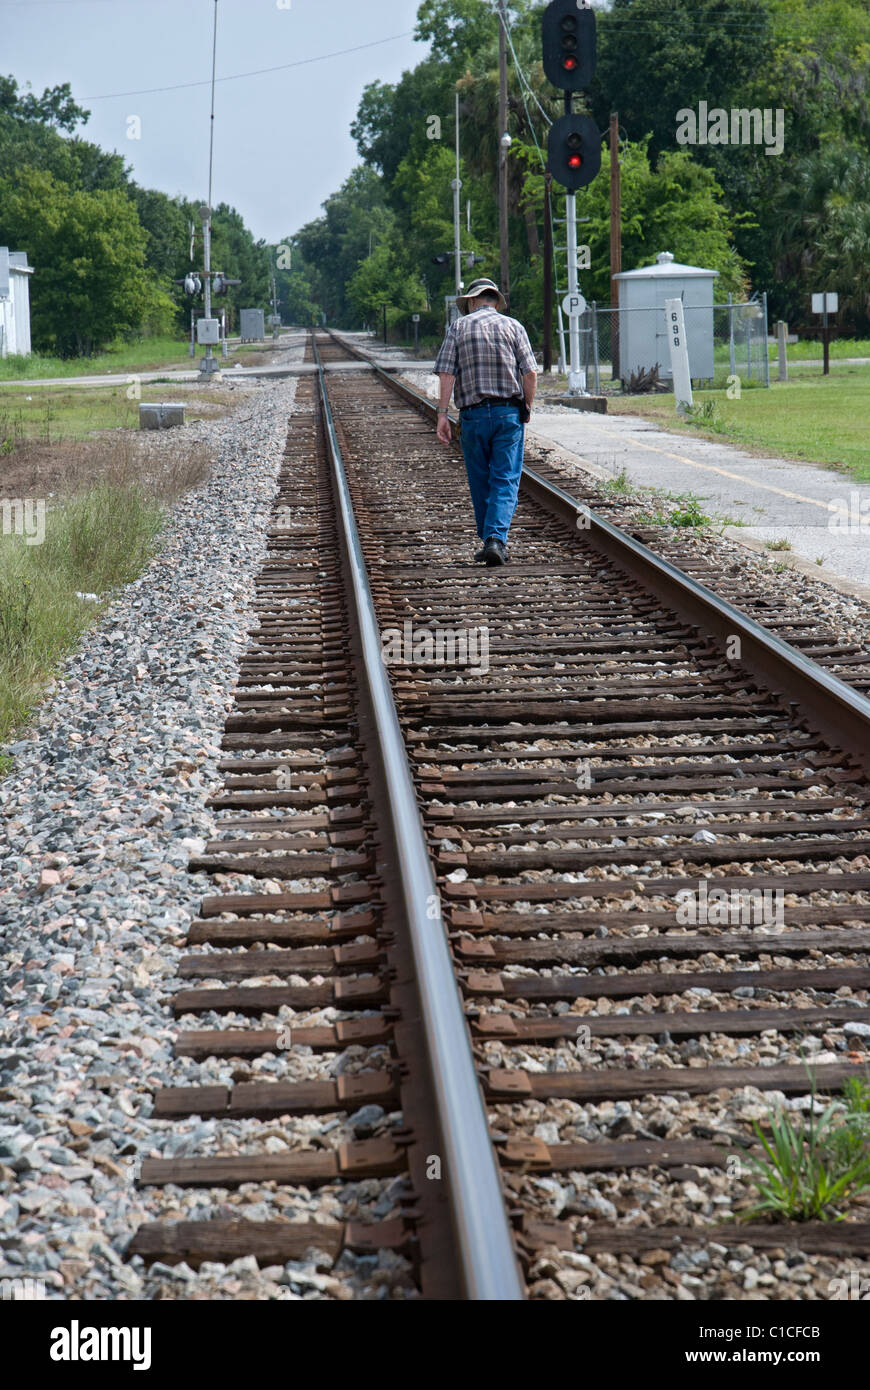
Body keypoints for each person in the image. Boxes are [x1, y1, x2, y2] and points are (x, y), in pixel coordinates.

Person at [434, 277, 537, 566]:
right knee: (505, 478)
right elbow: (530, 373)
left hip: (473, 416)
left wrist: (442, 414)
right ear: (496, 301)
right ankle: (495, 539)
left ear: (470, 302)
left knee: (480, 479)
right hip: (507, 413)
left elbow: (446, 374)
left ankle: (489, 539)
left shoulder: (458, 327)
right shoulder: (513, 326)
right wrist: (527, 405)